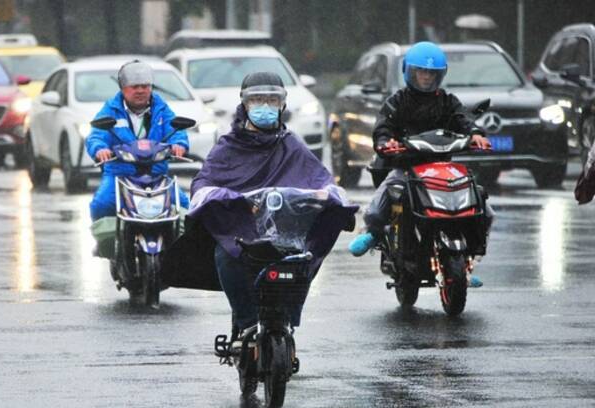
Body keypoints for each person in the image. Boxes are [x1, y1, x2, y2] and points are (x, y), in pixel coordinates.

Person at [187, 72, 356, 345]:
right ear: (244, 105)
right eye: (257, 100)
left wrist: (328, 194)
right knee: (225, 256)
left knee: (304, 258)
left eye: (271, 100)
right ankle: (245, 323)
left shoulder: (291, 144)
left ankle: (288, 316)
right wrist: (229, 198)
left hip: (287, 232)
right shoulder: (227, 147)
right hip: (244, 232)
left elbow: (321, 178)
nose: (265, 107)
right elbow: (203, 183)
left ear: (282, 105)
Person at [348, 42, 493, 286]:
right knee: (385, 196)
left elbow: (464, 118)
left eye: (431, 73)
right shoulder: (398, 100)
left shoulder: (447, 100)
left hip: (442, 168)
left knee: (483, 205)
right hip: (407, 167)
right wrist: (385, 141)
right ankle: (373, 234)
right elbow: (383, 126)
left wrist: (476, 133)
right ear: (409, 72)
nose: (426, 77)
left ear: (440, 74)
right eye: (421, 72)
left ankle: (466, 262)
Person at [85, 60, 190, 222]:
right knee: (102, 205)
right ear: (123, 88)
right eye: (135, 87)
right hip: (120, 175)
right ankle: (105, 245)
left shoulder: (161, 108)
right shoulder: (111, 109)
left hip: (157, 175)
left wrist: (179, 145)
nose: (140, 90)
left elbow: (176, 130)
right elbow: (96, 135)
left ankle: (181, 245)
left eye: (145, 86)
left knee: (184, 205)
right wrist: (100, 149)